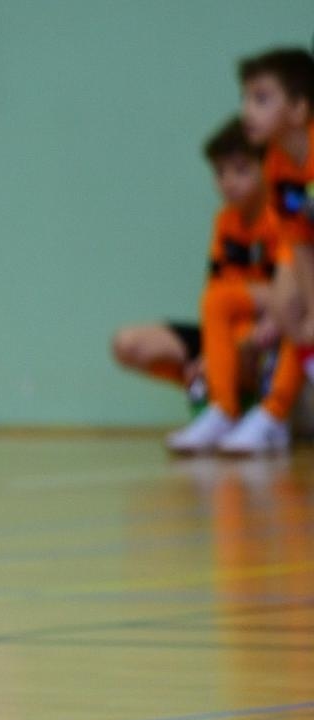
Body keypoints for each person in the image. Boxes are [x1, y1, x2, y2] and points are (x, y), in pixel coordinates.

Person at [125, 118, 282, 455]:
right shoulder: (224, 222)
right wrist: (211, 353)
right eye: (220, 173)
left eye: (240, 170)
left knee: (231, 318)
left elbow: (288, 292)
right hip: (228, 324)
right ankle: (218, 394)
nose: (228, 182)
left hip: (264, 331)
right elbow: (215, 289)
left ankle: (231, 405)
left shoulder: (280, 219)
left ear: (267, 168)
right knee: (129, 344)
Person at [223, 46, 314, 456]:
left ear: (298, 109)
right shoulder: (277, 165)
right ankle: (275, 415)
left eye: (261, 99)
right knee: (284, 303)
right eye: (245, 98)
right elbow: (298, 240)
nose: (247, 111)